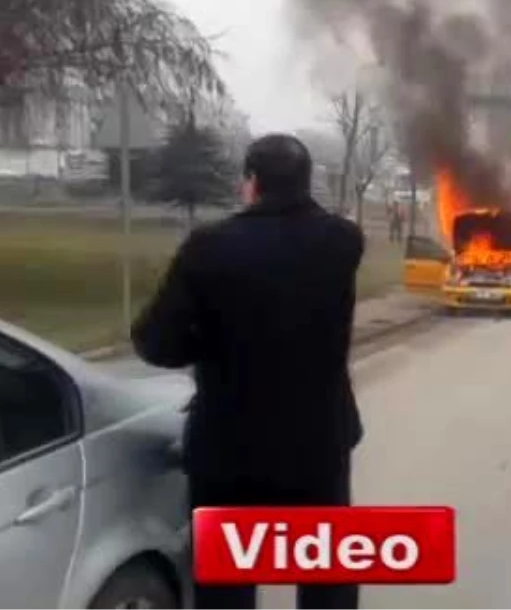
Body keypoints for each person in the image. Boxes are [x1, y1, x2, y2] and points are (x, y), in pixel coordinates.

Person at [132, 133, 364, 610]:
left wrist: (211, 346)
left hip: (229, 448)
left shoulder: (208, 248)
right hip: (318, 443)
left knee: (227, 584)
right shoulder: (342, 241)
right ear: (307, 181)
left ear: (251, 182)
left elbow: (155, 343)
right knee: (326, 574)